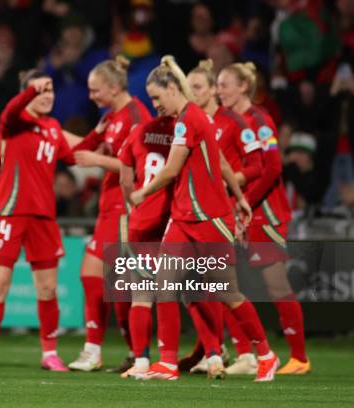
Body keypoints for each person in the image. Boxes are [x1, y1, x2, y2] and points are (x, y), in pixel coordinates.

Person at [130, 55, 279, 382]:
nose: (154, 105)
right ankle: (168, 363)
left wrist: (142, 194)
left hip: (210, 218)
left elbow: (170, 171)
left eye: (156, 97)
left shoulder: (187, 121)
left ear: (172, 89)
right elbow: (223, 164)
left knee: (227, 292)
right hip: (183, 217)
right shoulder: (196, 118)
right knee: (164, 284)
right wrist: (240, 199)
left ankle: (266, 355)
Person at [217, 62, 309, 375]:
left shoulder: (260, 120)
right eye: (217, 85)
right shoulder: (229, 121)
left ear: (243, 87)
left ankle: (299, 357)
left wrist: (246, 205)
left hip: (264, 212)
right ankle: (246, 355)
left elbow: (272, 168)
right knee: (227, 282)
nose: (220, 91)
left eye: (225, 84)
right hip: (238, 211)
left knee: (275, 284)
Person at [0, 70, 75, 371]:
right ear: (28, 93)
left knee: (47, 289)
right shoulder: (14, 123)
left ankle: (50, 352)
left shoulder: (52, 128)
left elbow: (75, 156)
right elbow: (9, 110)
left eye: (50, 90)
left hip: (44, 218)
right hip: (9, 212)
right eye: (41, 90)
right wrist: (31, 90)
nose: (47, 95)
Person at [66, 56, 152, 373]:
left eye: (95, 90)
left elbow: (142, 167)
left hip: (126, 208)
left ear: (114, 88)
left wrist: (98, 160)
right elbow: (82, 153)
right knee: (101, 281)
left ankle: (128, 352)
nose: (91, 96)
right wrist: (94, 140)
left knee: (113, 284)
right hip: (109, 206)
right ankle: (114, 351)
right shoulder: (113, 116)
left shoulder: (136, 116)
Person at [179, 59, 264, 375]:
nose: (192, 92)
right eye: (189, 87)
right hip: (198, 212)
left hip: (224, 210)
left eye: (198, 87)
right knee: (200, 285)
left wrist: (230, 185)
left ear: (214, 90)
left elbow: (258, 166)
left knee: (224, 284)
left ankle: (247, 353)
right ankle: (215, 349)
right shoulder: (191, 120)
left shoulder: (235, 122)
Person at [117, 114, 175, 379]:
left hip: (141, 219)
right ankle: (212, 355)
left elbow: (124, 177)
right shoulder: (185, 129)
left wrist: (134, 202)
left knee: (141, 296)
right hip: (175, 220)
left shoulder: (139, 130)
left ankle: (141, 361)